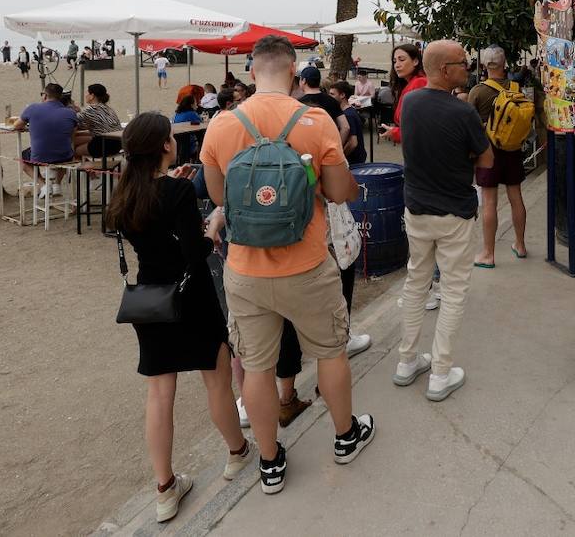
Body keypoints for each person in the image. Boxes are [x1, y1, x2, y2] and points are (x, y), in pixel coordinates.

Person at [200, 35, 374, 496]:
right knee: (331, 351)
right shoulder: (315, 121)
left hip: (246, 270)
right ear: (295, 74)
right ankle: (344, 437)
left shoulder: (222, 125)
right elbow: (339, 192)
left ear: (252, 72)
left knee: (257, 367)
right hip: (308, 264)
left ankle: (271, 462)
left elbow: (219, 198)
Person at [105, 113, 249, 523]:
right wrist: (213, 225)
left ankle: (165, 487)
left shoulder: (124, 195)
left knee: (159, 393)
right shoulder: (179, 191)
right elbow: (194, 251)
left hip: (150, 298)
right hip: (193, 296)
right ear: (166, 146)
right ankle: (237, 453)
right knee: (216, 379)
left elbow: (149, 227)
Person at [394, 40, 491, 403]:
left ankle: (406, 361)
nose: (468, 68)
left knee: (416, 282)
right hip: (453, 212)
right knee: (453, 290)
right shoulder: (462, 112)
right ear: (447, 69)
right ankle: (440, 372)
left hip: (417, 208)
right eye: (463, 63)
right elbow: (486, 160)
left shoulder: (411, 102)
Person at [467, 46, 528, 265]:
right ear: (504, 65)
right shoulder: (516, 87)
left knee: (490, 202)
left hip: (488, 153)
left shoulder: (478, 91)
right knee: (516, 197)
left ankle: (488, 254)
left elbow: (468, 124)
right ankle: (520, 245)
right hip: (513, 150)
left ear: (484, 65)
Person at [12, 82, 80, 197]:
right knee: (64, 150)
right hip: (65, 156)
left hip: (40, 157)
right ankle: (57, 185)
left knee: (23, 159)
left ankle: (43, 184)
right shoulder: (71, 113)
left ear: (44, 95)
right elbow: (71, 136)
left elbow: (16, 125)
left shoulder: (32, 108)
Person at [379, 43, 426, 145]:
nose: (397, 65)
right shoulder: (410, 84)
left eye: (402, 59)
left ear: (415, 61)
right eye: (394, 61)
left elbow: (419, 125)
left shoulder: (419, 83)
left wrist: (396, 133)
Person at [293, 67, 350, 148]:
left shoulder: (298, 104)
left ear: (304, 81)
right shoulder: (332, 101)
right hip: (328, 146)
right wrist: (337, 147)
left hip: (307, 149)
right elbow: (345, 127)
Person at [76, 83, 122, 159]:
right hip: (118, 144)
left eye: (88, 93)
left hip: (104, 145)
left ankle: (84, 168)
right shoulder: (108, 108)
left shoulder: (91, 109)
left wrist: (74, 109)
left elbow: (73, 121)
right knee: (77, 138)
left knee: (75, 149)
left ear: (92, 96)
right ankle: (88, 168)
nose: (86, 95)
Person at [328, 81, 366, 165]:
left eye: (332, 94)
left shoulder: (348, 115)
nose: (329, 97)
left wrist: (341, 157)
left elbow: (353, 142)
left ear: (342, 95)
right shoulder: (349, 111)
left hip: (353, 161)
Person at [174, 95, 203, 162]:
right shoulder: (192, 114)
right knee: (202, 138)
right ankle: (198, 160)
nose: (197, 105)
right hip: (188, 145)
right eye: (195, 103)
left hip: (177, 144)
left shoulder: (177, 114)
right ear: (191, 105)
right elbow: (201, 123)